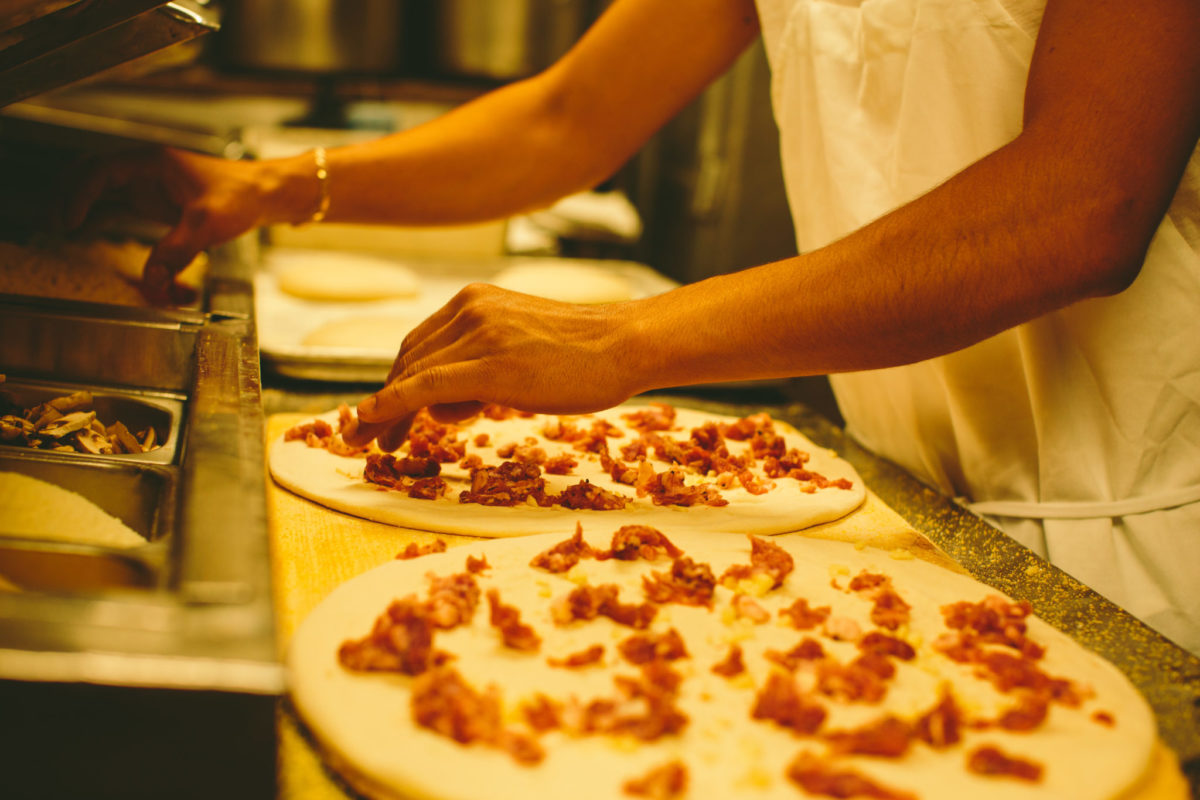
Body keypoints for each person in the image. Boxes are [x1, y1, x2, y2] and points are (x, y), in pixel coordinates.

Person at [59, 0, 1200, 655]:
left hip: (1127, 552)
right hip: (896, 513)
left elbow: (1083, 203)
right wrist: (269, 188)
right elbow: (567, 118)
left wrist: (622, 339)